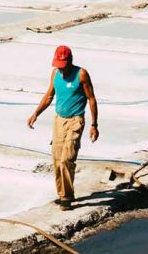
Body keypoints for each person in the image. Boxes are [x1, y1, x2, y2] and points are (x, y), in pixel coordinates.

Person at [26, 45, 99, 209]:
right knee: (57, 159)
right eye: (58, 66)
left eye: (63, 66)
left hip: (75, 120)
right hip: (59, 120)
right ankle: (62, 193)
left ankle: (66, 198)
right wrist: (36, 113)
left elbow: (91, 99)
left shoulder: (81, 74)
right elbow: (49, 96)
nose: (61, 70)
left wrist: (94, 125)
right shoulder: (55, 74)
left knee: (67, 158)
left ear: (70, 61)